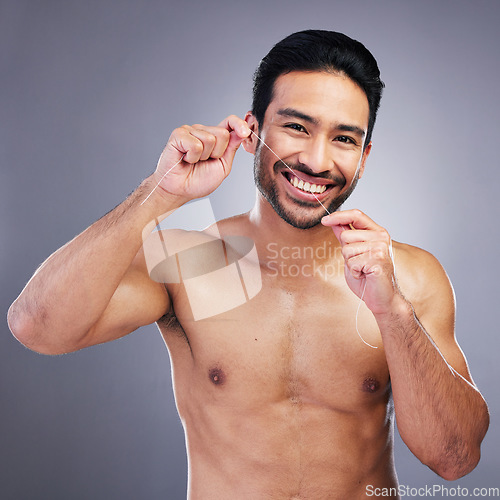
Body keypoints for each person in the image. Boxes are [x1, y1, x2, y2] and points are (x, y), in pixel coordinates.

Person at [8, 30, 489, 498]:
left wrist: (394, 313)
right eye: (297, 127)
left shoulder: (405, 277)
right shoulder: (200, 261)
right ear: (254, 130)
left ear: (363, 158)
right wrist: (159, 194)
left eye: (343, 138)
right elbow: (36, 327)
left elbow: (455, 458)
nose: (317, 160)